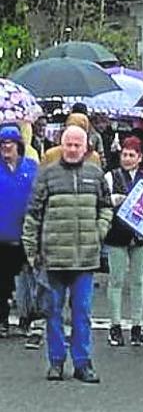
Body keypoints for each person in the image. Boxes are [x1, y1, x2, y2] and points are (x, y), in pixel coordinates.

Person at [22, 124, 112, 383]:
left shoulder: (95, 175)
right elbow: (33, 215)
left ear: (86, 148)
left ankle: (83, 363)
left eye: (77, 145)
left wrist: (100, 229)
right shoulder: (47, 175)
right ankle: (56, 362)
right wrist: (31, 251)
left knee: (82, 313)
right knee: (53, 313)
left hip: (85, 258)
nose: (72, 149)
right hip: (53, 258)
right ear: (62, 145)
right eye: (68, 144)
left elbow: (106, 207)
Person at [103, 136, 143, 348]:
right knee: (116, 279)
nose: (127, 158)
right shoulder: (111, 177)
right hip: (117, 234)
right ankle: (115, 324)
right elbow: (102, 200)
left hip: (140, 235)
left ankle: (137, 325)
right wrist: (113, 200)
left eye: (132, 155)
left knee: (138, 280)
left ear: (140, 158)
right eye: (124, 154)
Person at [0, 124, 38, 340]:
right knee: (2, 283)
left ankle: (28, 319)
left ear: (19, 145)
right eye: (2, 143)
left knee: (31, 281)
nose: (6, 147)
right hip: (2, 235)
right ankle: (2, 320)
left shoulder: (31, 167)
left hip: (27, 233)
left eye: (10, 143)